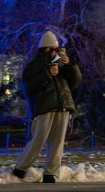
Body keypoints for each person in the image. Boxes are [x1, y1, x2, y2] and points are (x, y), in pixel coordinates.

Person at [12, 31, 82, 183]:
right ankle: (20, 169)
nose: (56, 52)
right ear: (46, 49)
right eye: (54, 49)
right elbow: (30, 87)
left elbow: (75, 82)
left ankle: (51, 173)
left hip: (62, 106)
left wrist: (70, 65)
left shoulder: (61, 64)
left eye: (57, 49)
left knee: (57, 142)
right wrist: (48, 74)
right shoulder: (34, 65)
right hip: (44, 107)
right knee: (38, 139)